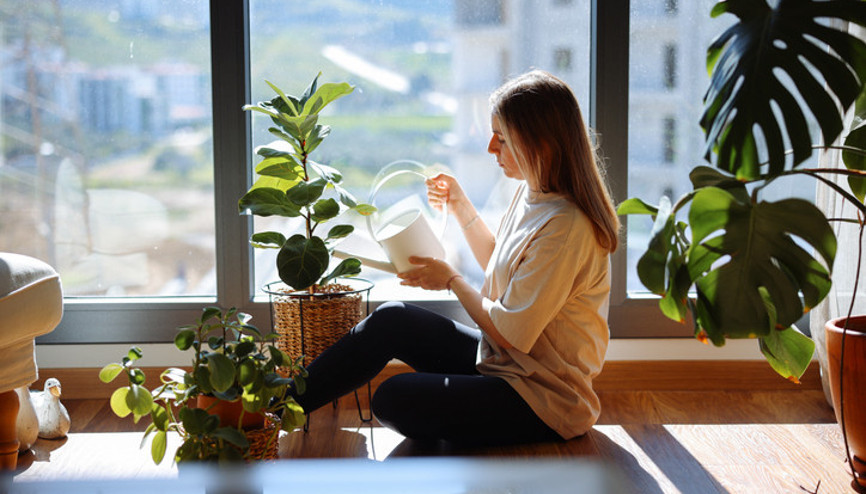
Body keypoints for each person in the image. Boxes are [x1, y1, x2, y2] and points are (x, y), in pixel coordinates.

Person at [290, 70, 620, 446]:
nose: (491, 148)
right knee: (392, 318)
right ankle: (273, 408)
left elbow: (511, 334)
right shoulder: (533, 192)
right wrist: (461, 206)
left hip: (543, 398)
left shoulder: (567, 227)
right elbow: (503, 265)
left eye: (502, 138)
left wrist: (450, 280)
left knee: (393, 398)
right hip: (502, 364)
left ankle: (272, 411)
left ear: (540, 142)